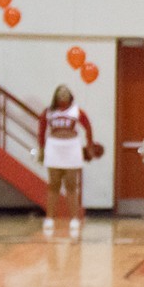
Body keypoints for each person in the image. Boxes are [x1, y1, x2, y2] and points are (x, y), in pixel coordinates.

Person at [38, 84, 94, 239]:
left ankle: (74, 219)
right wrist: (41, 148)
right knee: (54, 185)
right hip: (54, 147)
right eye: (60, 92)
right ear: (55, 96)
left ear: (70, 96)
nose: (63, 94)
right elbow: (41, 130)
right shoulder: (48, 112)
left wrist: (89, 145)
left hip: (72, 147)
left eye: (65, 92)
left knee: (71, 185)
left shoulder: (77, 111)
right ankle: (49, 218)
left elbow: (88, 127)